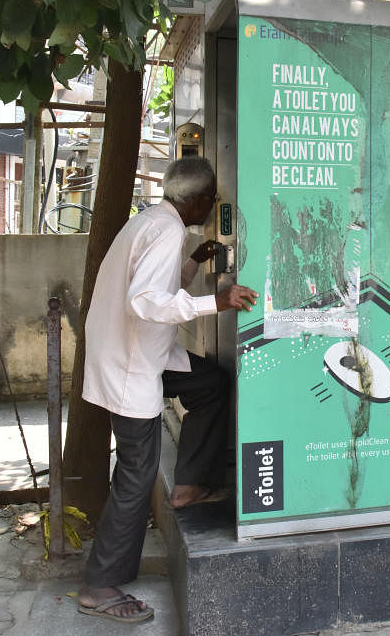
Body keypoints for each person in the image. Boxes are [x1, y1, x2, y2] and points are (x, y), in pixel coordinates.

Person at [76, 156, 258, 624]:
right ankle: (100, 586)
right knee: (137, 472)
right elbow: (145, 301)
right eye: (212, 198)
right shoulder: (168, 230)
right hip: (131, 362)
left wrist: (194, 264)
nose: (213, 205)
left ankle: (189, 486)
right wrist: (215, 300)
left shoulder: (153, 222)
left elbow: (157, 286)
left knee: (211, 385)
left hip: (139, 353)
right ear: (197, 200)